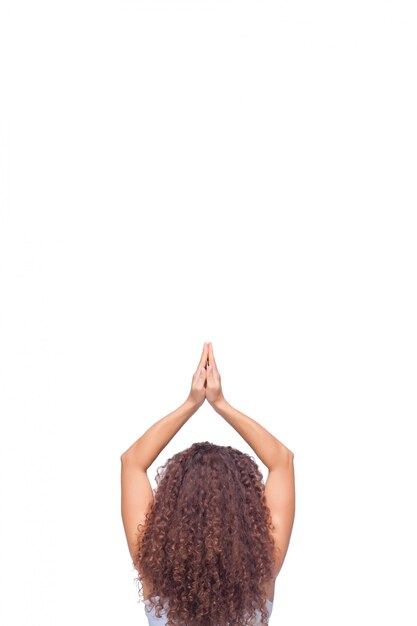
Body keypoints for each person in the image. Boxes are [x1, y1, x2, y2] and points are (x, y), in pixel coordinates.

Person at [120, 342, 295, 626]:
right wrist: (221, 404)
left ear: (172, 507)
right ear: (243, 508)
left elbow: (132, 461)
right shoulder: (262, 571)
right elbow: (282, 461)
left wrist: (191, 403)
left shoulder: (153, 569)